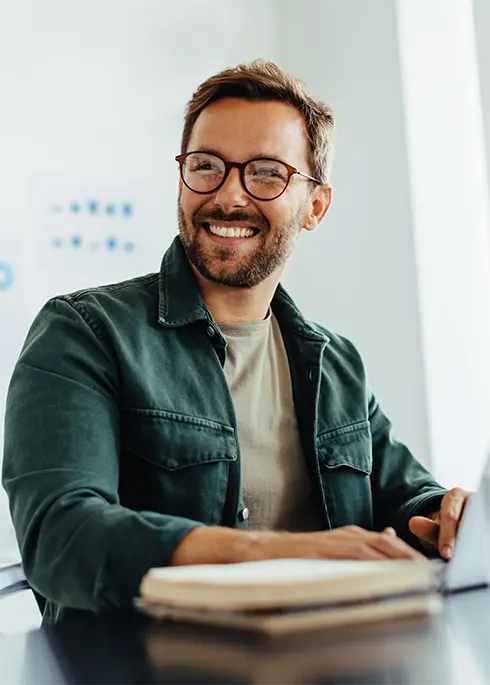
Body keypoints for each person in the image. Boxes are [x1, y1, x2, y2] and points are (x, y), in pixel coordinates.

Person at [2, 60, 469, 623]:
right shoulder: (84, 332)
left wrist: (449, 514)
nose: (228, 195)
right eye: (206, 166)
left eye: (267, 173)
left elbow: (406, 499)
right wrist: (271, 554)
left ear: (315, 207)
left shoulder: (335, 362)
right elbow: (61, 538)